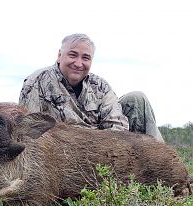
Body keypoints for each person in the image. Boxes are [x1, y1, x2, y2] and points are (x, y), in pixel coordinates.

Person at [19, 33, 164, 142]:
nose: (78, 63)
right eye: (73, 55)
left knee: (137, 98)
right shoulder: (36, 82)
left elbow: (117, 125)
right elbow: (30, 131)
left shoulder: (100, 86)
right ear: (59, 55)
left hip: (101, 148)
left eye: (85, 58)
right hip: (60, 152)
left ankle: (161, 161)